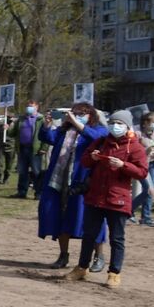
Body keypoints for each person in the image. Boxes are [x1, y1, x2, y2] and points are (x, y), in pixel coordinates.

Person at [62, 111, 148, 290]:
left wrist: (123, 165)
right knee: (89, 235)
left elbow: (142, 172)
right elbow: (85, 161)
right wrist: (92, 157)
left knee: (117, 238)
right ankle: (81, 268)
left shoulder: (135, 147)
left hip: (118, 199)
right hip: (95, 197)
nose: (115, 126)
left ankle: (114, 273)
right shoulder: (101, 141)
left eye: (119, 123)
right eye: (113, 122)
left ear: (127, 126)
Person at [37, 105, 108, 269]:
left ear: (91, 115)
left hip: (84, 182)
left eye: (81, 114)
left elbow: (95, 138)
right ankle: (63, 255)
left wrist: (77, 123)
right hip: (59, 180)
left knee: (89, 219)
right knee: (60, 216)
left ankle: (99, 255)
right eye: (75, 113)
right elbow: (48, 137)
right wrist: (47, 125)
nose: (76, 116)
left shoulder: (99, 130)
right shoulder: (65, 131)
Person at [132, 113, 154, 227]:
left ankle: (146, 217)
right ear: (145, 122)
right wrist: (147, 150)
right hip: (142, 165)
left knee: (151, 191)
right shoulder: (137, 133)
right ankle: (129, 210)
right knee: (149, 189)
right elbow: (134, 151)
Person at [14, 103, 39, 197]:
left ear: (37, 107)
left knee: (36, 171)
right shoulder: (21, 119)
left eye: (32, 106)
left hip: (35, 149)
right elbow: (13, 133)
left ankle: (38, 192)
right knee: (22, 171)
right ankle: (22, 192)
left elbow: (44, 133)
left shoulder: (40, 119)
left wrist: (43, 148)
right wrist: (8, 128)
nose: (29, 107)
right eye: (28, 105)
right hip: (23, 148)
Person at [0, 115, 14, 184]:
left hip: (11, 147)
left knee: (9, 164)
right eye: (8, 118)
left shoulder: (14, 127)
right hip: (1, 146)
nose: (9, 120)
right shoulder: (1, 127)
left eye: (11, 118)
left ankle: (6, 178)